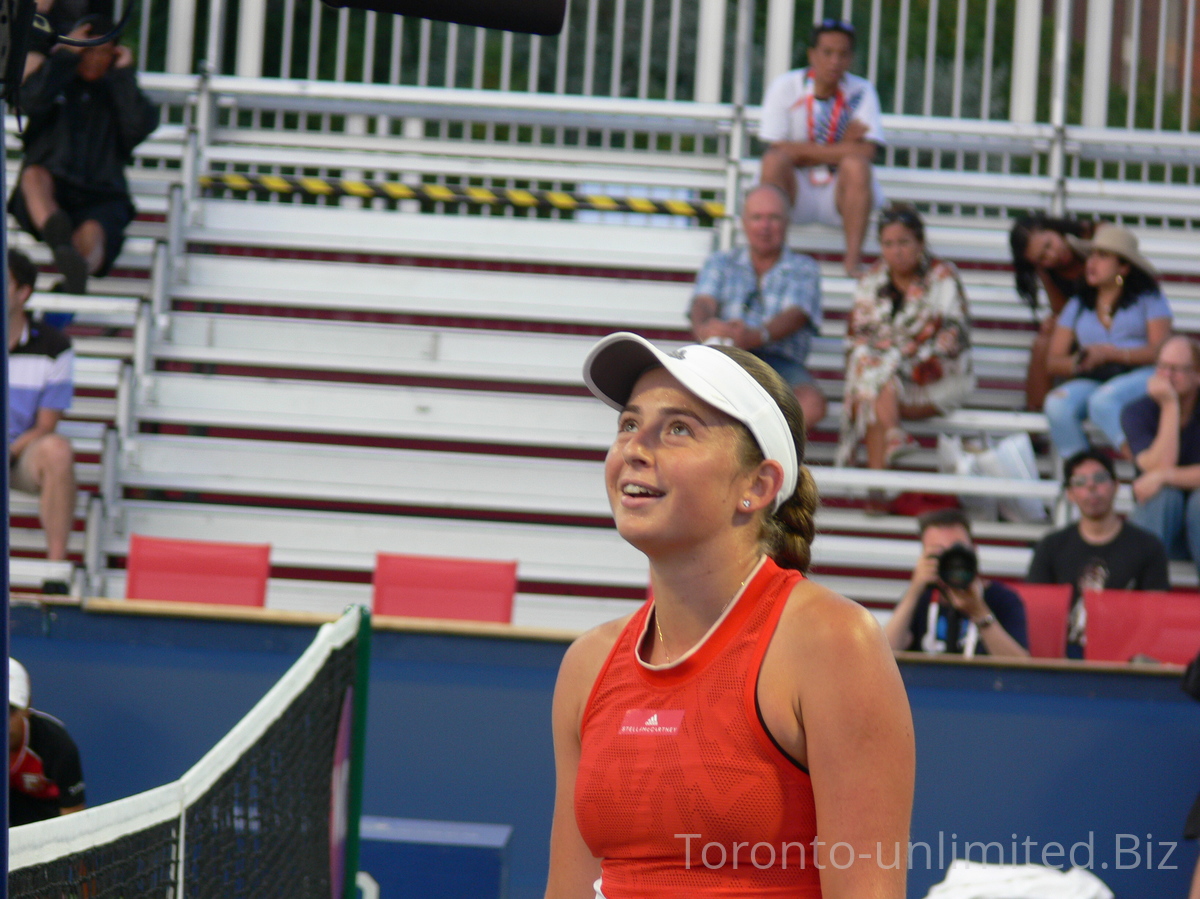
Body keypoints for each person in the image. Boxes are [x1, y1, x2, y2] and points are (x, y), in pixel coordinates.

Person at [545, 331, 914, 897]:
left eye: (678, 429)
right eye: (628, 425)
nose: (635, 449)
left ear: (757, 484)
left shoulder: (834, 642)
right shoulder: (586, 665)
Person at [9, 13, 159, 295]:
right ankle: (59, 238)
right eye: (89, 50)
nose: (95, 59)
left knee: (94, 231)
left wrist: (124, 76)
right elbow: (28, 101)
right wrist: (64, 57)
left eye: (104, 52)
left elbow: (139, 126)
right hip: (52, 190)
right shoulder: (57, 82)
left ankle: (76, 269)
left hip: (100, 193)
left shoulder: (118, 91)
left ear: (115, 55)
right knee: (33, 175)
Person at [835, 204, 974, 479]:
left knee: (872, 384)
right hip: (887, 377)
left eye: (903, 242)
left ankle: (877, 494)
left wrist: (897, 358)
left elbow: (952, 338)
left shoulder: (943, 277)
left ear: (920, 243)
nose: (896, 251)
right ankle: (894, 436)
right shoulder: (871, 281)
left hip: (936, 378)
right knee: (875, 381)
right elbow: (857, 336)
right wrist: (891, 360)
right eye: (888, 244)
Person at [689, 183, 828, 431]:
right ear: (744, 222)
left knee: (812, 405)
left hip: (781, 363)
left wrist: (757, 335)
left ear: (786, 223)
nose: (765, 226)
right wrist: (706, 327)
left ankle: (762, 447)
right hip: (727, 355)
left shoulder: (804, 267)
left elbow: (795, 315)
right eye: (757, 217)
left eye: (773, 218)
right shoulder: (720, 261)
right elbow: (702, 302)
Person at [758, 18, 884, 276]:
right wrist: (844, 146)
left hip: (839, 193)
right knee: (773, 163)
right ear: (812, 55)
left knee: (857, 166)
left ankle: (851, 263)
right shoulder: (785, 86)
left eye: (843, 54)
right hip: (795, 189)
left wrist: (802, 152)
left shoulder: (862, 90)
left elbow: (867, 152)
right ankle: (774, 261)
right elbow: (776, 149)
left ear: (851, 58)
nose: (835, 61)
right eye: (827, 53)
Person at [1042, 224, 1172, 460]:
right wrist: (1079, 364)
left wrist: (1111, 354)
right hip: (1095, 377)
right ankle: (1084, 472)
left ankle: (1146, 462)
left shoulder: (1149, 298)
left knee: (1103, 402)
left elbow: (1161, 351)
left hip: (1143, 373)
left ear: (1123, 265)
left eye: (1102, 256)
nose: (1092, 262)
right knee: (1056, 404)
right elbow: (1053, 361)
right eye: (1091, 254)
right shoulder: (1078, 303)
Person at [1026, 448, 1170, 657]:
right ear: (1070, 494)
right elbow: (1037, 613)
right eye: (1080, 481)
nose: (1091, 487)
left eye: (1099, 478)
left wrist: (1121, 664)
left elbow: (1153, 620)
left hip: (1125, 664)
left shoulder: (1148, 546)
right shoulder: (1050, 546)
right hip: (1063, 663)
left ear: (1116, 485)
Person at [8, 247, 77, 571]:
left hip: (20, 454)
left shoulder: (54, 346)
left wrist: (9, 451)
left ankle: (54, 571)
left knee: (57, 451)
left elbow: (46, 425)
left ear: (23, 292)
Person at [885, 508, 1029, 658]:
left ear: (974, 552)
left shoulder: (1002, 599)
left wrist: (980, 613)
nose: (950, 561)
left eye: (957, 551)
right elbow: (884, 657)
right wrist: (914, 589)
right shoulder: (920, 598)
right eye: (939, 553)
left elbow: (1021, 669)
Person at [1121, 335, 1200, 579]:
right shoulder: (1136, 411)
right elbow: (1154, 466)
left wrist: (1165, 476)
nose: (1165, 376)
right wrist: (1169, 405)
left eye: (1175, 369)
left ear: (1197, 375)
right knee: (1164, 496)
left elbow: (1160, 471)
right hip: (1159, 525)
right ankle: (1139, 595)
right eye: (1162, 367)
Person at [1008, 214, 1095, 411]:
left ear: (1052, 228)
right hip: (1084, 334)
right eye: (1042, 258)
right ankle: (1034, 421)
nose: (1052, 255)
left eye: (1049, 245)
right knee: (1043, 341)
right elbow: (1062, 312)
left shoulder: (1093, 235)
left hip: (1115, 324)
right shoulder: (1050, 271)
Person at [9, 657, 85, 826]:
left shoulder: (57, 744)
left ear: (27, 708)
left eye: (10, 711)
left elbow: (73, 820)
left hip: (46, 833)